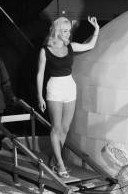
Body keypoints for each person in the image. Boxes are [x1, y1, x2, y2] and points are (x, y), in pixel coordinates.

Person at [36, 16, 100, 178]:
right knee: (56, 128)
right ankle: (60, 164)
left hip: (70, 88)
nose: (67, 34)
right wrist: (40, 96)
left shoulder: (71, 47)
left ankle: (54, 159)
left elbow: (91, 45)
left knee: (65, 128)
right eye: (64, 31)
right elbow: (39, 74)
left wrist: (96, 29)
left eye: (69, 31)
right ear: (57, 31)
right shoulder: (45, 50)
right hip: (54, 89)